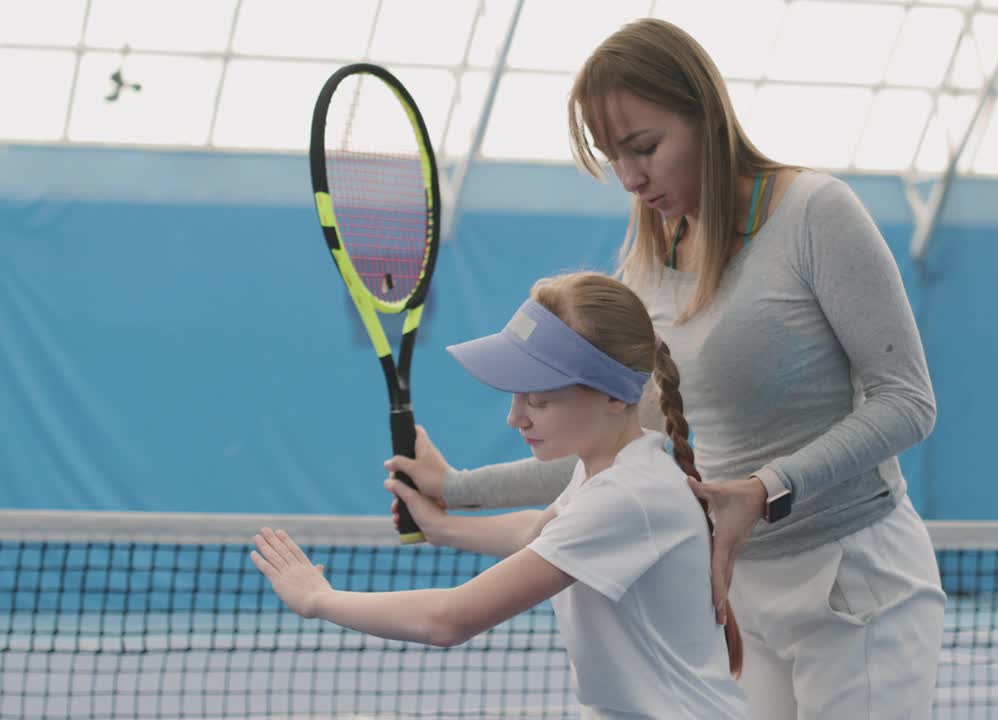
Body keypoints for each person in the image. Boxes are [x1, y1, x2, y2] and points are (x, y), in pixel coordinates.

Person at [387, 17, 946, 720]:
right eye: (610, 156)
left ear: (705, 116)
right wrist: (457, 489)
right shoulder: (647, 257)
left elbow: (908, 402)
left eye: (644, 147)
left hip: (859, 586)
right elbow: (618, 446)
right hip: (735, 591)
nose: (629, 177)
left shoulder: (815, 212)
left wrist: (767, 488)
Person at [253, 271, 749, 720]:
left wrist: (320, 599)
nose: (516, 418)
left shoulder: (627, 497)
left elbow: (448, 620)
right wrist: (443, 527)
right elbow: (537, 531)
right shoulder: (611, 470)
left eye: (539, 399)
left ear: (615, 396)